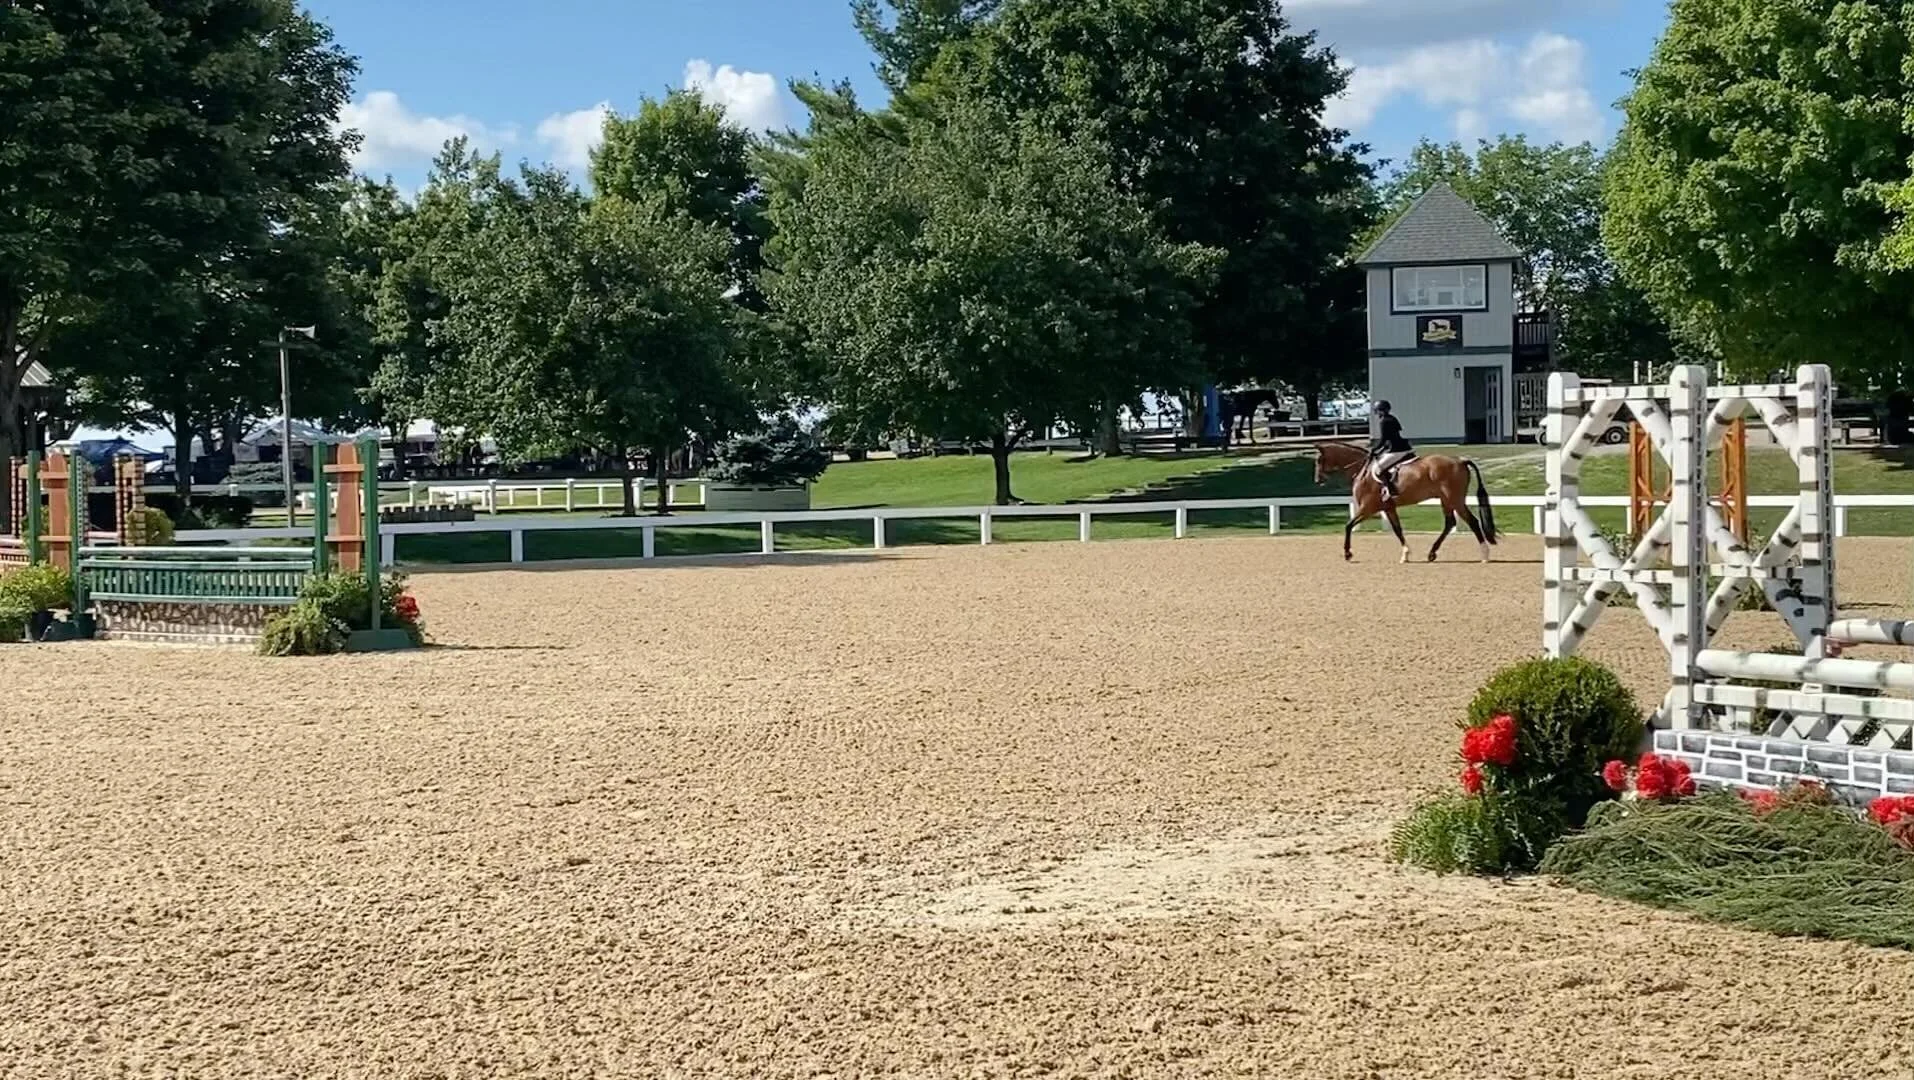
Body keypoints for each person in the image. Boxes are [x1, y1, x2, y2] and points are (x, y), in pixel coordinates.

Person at [1367, 400, 1416, 504]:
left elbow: (1384, 439)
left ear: (1380, 411)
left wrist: (1374, 449)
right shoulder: (1392, 418)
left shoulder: (1384, 421)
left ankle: (1390, 490)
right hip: (1401, 447)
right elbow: (1391, 438)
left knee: (1378, 469)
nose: (1377, 413)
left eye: (1377, 411)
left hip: (1396, 450)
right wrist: (1380, 450)